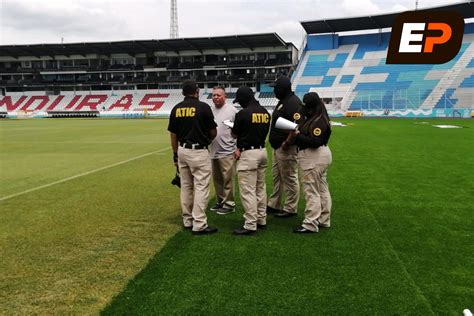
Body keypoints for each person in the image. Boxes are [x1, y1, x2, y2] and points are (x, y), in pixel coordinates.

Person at [167, 79, 218, 235]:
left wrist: (175, 154)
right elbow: (213, 132)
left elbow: (173, 135)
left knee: (186, 186)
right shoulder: (203, 107)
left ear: (183, 93)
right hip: (199, 151)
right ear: (197, 91)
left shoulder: (176, 108)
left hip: (182, 150)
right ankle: (199, 223)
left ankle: (187, 220)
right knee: (201, 187)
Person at [286, 92, 332, 233]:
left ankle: (310, 223)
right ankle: (323, 219)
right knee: (322, 188)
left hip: (314, 156)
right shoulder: (317, 117)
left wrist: (297, 135)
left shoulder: (318, 120)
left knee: (311, 190)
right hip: (320, 156)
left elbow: (315, 142)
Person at [231, 86, 270, 235]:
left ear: (243, 99)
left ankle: (250, 224)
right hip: (262, 151)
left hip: (249, 155)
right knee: (260, 188)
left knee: (248, 191)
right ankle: (261, 218)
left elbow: (235, 135)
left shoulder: (243, 113)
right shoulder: (265, 113)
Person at [267, 75, 303, 218]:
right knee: (277, 177)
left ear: (282, 89)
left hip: (286, 148)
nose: (274, 91)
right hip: (278, 147)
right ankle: (274, 203)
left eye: (275, 88)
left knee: (289, 177)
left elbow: (296, 127)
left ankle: (290, 207)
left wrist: (287, 143)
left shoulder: (293, 103)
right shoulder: (284, 101)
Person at [209, 86, 238, 215]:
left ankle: (229, 204)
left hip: (228, 151)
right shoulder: (210, 111)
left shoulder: (232, 110)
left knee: (228, 179)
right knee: (217, 179)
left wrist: (238, 148)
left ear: (224, 97)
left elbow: (239, 130)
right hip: (214, 150)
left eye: (218, 95)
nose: (215, 97)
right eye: (214, 95)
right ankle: (220, 201)